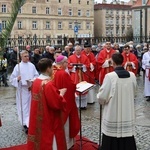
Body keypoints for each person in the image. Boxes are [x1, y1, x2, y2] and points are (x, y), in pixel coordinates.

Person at [97, 52, 137, 150]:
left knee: (112, 136)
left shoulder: (110, 77)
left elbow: (102, 97)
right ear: (122, 62)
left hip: (113, 113)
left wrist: (99, 96)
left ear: (113, 63)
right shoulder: (132, 75)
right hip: (127, 112)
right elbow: (134, 92)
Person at [27, 58, 67, 150]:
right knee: (50, 141)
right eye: (52, 68)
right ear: (48, 69)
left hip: (38, 115)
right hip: (48, 117)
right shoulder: (48, 84)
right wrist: (61, 94)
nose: (53, 70)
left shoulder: (36, 81)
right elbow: (56, 103)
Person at [52, 55, 80, 149]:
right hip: (64, 103)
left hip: (55, 101)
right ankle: (66, 144)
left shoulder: (53, 71)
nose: (68, 64)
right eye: (66, 62)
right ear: (63, 63)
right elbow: (69, 86)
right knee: (65, 125)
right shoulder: (62, 73)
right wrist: (75, 86)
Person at [9, 50, 39, 134]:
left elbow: (36, 75)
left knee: (31, 106)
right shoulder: (18, 66)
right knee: (24, 107)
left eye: (28, 56)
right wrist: (17, 79)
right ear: (21, 57)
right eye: (25, 56)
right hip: (22, 90)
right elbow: (12, 79)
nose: (27, 57)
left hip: (30, 89)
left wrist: (32, 80)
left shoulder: (32, 65)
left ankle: (31, 122)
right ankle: (25, 124)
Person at [68, 45, 90, 109]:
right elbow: (69, 65)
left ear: (81, 50)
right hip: (75, 76)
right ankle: (76, 105)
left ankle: (83, 105)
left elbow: (88, 65)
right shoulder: (71, 57)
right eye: (77, 50)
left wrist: (83, 66)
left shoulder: (85, 57)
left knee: (83, 89)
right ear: (75, 50)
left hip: (83, 75)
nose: (78, 51)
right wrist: (75, 67)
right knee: (76, 89)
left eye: (79, 50)